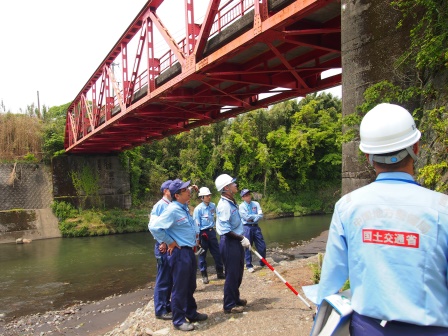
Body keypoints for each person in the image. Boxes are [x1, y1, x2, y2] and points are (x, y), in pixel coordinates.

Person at [316, 103, 448, 335]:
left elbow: (331, 279)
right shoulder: (442, 208)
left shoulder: (347, 206)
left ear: (368, 155)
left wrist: (320, 319)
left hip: (368, 328)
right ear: (416, 147)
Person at [149, 179, 208, 332]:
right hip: (179, 253)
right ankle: (179, 320)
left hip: (189, 251)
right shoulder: (172, 210)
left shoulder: (183, 207)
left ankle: (191, 312)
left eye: (188, 189)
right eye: (185, 191)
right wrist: (169, 241)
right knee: (180, 287)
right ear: (177, 195)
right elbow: (154, 227)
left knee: (190, 285)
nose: (189, 192)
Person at [215, 174, 250, 314]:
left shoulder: (231, 201)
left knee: (238, 272)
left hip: (236, 241)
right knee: (232, 274)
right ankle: (229, 305)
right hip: (229, 242)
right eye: (233, 184)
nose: (236, 185)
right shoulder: (224, 205)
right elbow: (224, 230)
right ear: (226, 188)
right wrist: (241, 238)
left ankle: (235, 298)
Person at [148, 180, 173, 321]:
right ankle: (160, 310)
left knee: (169, 277)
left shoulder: (170, 205)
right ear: (165, 191)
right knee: (163, 278)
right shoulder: (160, 206)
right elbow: (153, 226)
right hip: (163, 247)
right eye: (171, 189)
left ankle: (166, 304)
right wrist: (162, 241)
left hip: (169, 245)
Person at [193, 186, 225, 284]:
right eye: (207, 196)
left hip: (211, 232)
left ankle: (220, 272)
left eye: (209, 195)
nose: (209, 197)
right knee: (202, 255)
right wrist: (197, 238)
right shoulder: (198, 209)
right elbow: (196, 224)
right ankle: (204, 276)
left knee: (217, 253)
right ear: (202, 198)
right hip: (203, 233)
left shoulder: (213, 206)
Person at [239, 189, 265, 273]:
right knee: (248, 246)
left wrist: (253, 218)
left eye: (249, 194)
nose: (248, 196)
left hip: (256, 227)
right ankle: (249, 265)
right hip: (246, 228)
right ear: (242, 197)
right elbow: (246, 218)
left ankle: (262, 262)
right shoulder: (241, 206)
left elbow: (260, 215)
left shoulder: (256, 204)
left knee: (262, 246)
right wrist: (255, 216)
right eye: (246, 195)